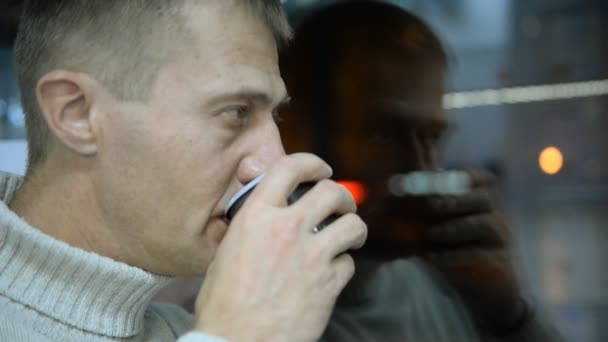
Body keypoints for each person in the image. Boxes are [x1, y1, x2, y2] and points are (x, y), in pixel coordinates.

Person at [0, 1, 368, 341]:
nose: (274, 162)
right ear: (76, 112)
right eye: (236, 112)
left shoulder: (186, 328)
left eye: (274, 116)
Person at [278, 1, 565, 341]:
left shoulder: (447, 284)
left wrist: (509, 313)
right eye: (382, 135)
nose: (421, 167)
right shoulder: (244, 312)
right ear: (290, 132)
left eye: (431, 137)